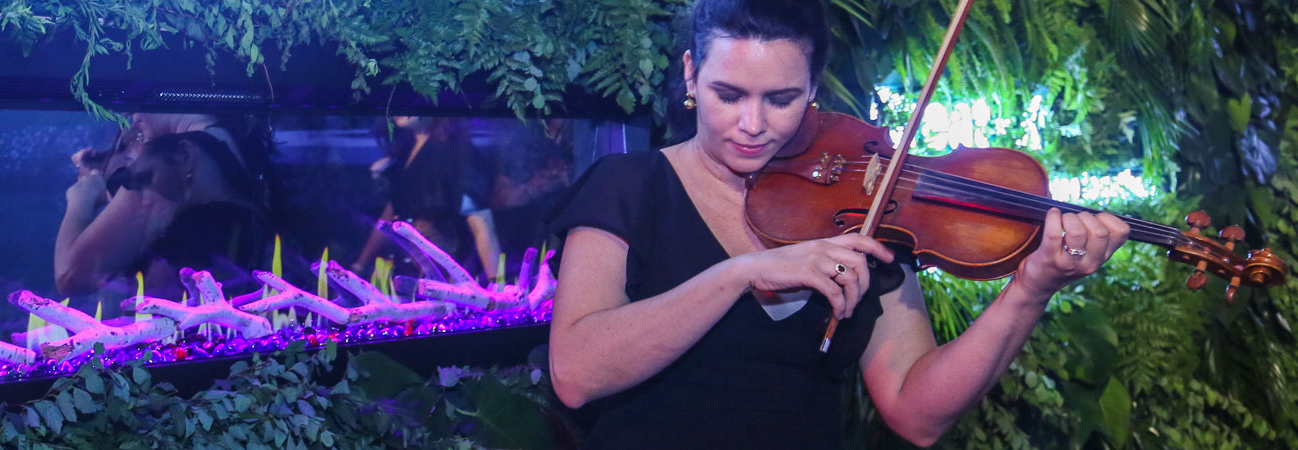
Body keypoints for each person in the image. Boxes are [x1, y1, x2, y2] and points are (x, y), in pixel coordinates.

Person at [541, 0, 1131, 448]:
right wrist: (741, 273)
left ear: (812, 89)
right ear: (692, 75)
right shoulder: (627, 186)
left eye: (781, 99)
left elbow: (916, 414)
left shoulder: (864, 205)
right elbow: (575, 373)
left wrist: (1029, 291)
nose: (752, 124)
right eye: (729, 94)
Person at [54, 113, 272, 300]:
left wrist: (81, 199)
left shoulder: (174, 160)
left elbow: (71, 276)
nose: (132, 118)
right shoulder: (232, 149)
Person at [350, 116, 502, 280]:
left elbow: (482, 227)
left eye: (410, 102)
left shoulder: (457, 153)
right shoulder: (404, 152)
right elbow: (390, 215)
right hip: (406, 272)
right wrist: (359, 266)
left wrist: (497, 285)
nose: (400, 110)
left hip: (444, 275)